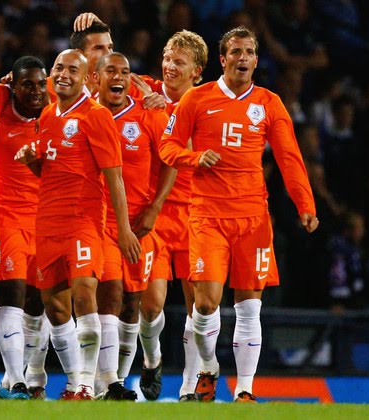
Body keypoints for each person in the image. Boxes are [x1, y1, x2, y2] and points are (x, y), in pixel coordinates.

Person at [159, 26, 319, 403]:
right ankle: (209, 367)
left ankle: (245, 389)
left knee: (249, 307)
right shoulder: (197, 99)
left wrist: (305, 204)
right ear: (223, 59)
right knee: (205, 304)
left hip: (252, 218)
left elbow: (289, 157)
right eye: (235, 51)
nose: (242, 57)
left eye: (248, 52)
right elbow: (167, 147)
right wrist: (194, 157)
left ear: (256, 60)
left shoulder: (269, 103)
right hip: (207, 215)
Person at [15, 49, 141, 400]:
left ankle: (87, 383)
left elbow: (114, 178)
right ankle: (74, 382)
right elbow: (50, 171)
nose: (64, 74)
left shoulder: (96, 115)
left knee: (85, 293)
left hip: (83, 220)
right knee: (55, 309)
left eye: (73, 69)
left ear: (86, 79)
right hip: (47, 222)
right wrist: (31, 162)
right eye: (59, 68)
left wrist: (124, 230)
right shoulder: (48, 114)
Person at [92, 52, 173, 400]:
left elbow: (171, 160)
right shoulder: (84, 113)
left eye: (125, 72)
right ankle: (105, 382)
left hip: (139, 224)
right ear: (96, 78)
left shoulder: (149, 115)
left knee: (134, 304)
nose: (119, 77)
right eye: (111, 71)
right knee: (108, 296)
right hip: (98, 224)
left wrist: (155, 208)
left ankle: (119, 383)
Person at [133, 30, 208, 402]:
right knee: (150, 305)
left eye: (179, 62)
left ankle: (190, 387)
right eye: (167, 58)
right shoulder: (142, 89)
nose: (169, 66)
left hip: (196, 213)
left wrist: (169, 112)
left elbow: (190, 150)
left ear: (197, 72)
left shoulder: (208, 103)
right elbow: (101, 72)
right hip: (155, 214)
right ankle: (152, 358)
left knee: (199, 305)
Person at [0, 56, 51, 400]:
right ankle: (16, 380)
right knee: (12, 298)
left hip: (45, 221)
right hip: (7, 219)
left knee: (38, 306)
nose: (36, 91)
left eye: (41, 84)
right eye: (27, 84)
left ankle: (17, 377)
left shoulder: (56, 115)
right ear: (12, 85)